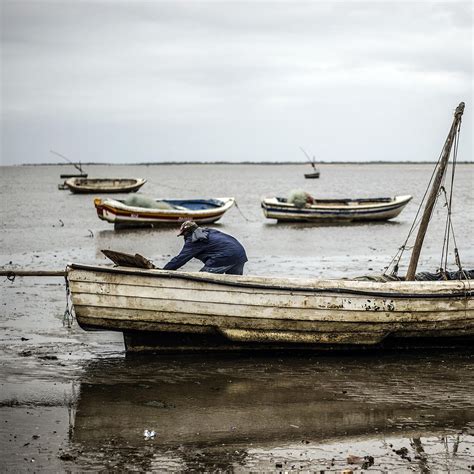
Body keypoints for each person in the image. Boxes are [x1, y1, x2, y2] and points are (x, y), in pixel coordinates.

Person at [163, 221, 248, 275]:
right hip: (240, 254)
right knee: (234, 283)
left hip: (224, 257)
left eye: (183, 235)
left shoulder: (195, 240)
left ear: (186, 233)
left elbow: (180, 259)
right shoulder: (209, 231)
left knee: (201, 279)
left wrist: (163, 271)